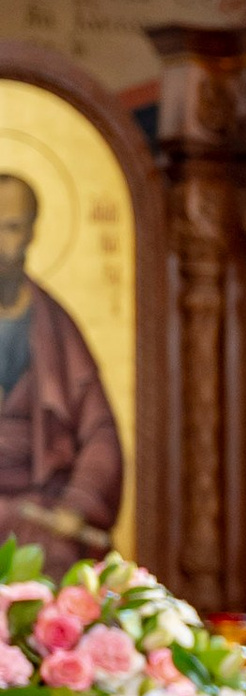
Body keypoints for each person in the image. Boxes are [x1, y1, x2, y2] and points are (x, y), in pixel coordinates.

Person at [0, 172, 120, 571]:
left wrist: (78, 503)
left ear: (31, 234)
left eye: (11, 228)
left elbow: (99, 432)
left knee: (54, 558)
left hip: (39, 514)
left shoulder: (55, 326)